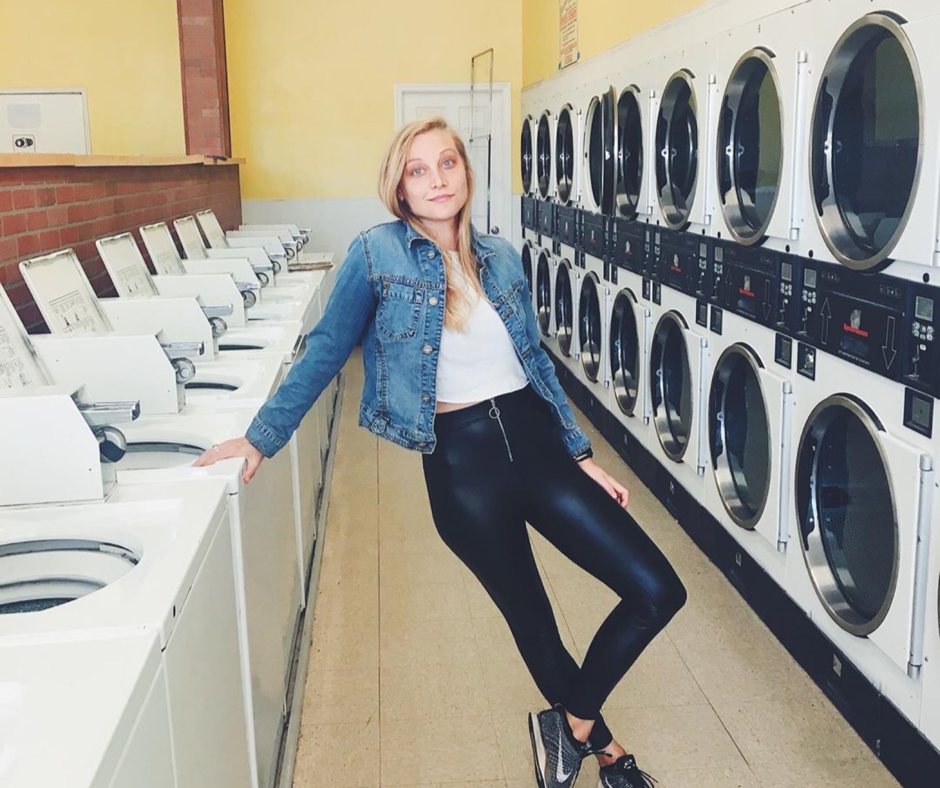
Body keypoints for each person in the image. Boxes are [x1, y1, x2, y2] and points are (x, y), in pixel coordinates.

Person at [195, 116, 686, 788]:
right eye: (418, 169)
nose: (435, 180)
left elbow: (537, 366)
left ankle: (569, 723)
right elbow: (326, 352)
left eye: (446, 163)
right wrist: (261, 437)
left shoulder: (503, 258)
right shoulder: (377, 256)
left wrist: (580, 454)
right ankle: (610, 756)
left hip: (536, 447)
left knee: (657, 589)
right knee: (533, 620)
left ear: (465, 172)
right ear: (399, 186)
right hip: (462, 468)